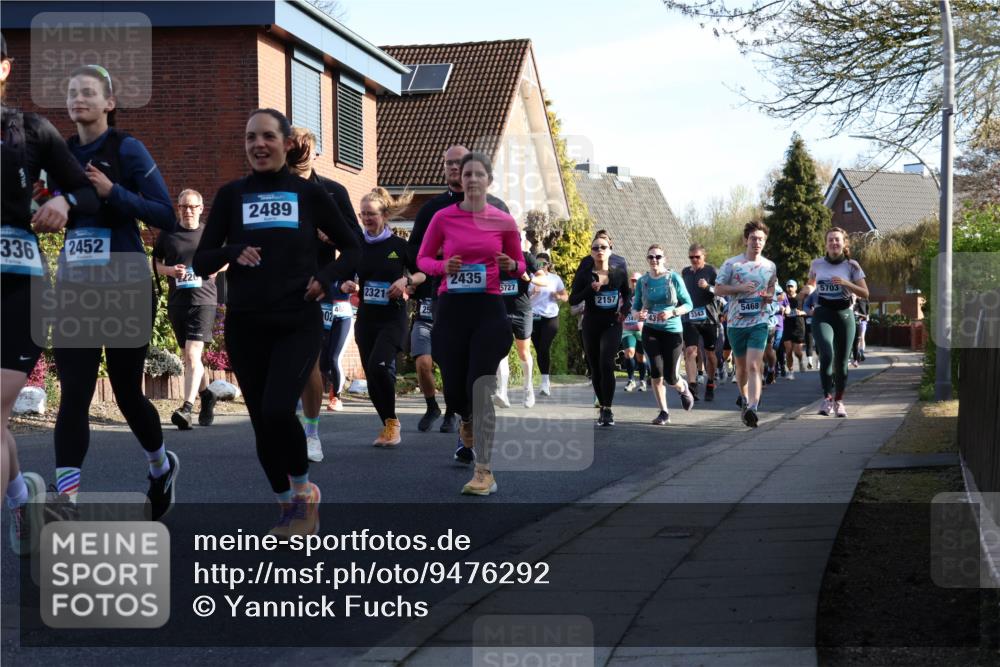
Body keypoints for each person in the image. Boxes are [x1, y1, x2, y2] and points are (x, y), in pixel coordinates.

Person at [193, 108, 360, 535]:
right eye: (251, 137)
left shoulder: (310, 194)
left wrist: (326, 277)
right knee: (261, 422)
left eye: (267, 136)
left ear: (286, 144)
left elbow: (355, 247)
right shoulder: (232, 195)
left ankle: (303, 494)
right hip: (246, 324)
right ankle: (287, 506)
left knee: (277, 410)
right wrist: (232, 252)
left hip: (296, 320)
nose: (258, 144)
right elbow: (202, 260)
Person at [50, 64, 179, 520]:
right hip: (76, 287)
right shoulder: (61, 153)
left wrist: (113, 191)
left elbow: (166, 214)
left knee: (126, 392)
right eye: (72, 92)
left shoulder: (127, 149)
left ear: (109, 102)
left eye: (88, 92)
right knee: (75, 394)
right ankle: (66, 501)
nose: (78, 98)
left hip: (125, 285)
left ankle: (160, 466)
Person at [1, 34, 100, 553]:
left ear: (4, 68)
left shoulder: (32, 130)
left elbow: (85, 191)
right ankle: (22, 500)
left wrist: (63, 201)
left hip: (21, 289)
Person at [416, 151, 525, 495]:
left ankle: (484, 471)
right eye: (467, 174)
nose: (473, 179)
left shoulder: (503, 220)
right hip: (452, 308)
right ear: (459, 180)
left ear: (489, 180)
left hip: (488, 309)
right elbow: (422, 258)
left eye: (479, 174)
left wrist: (511, 265)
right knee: (455, 389)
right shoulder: (443, 218)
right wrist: (441, 267)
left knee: (480, 386)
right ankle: (464, 418)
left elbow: (520, 265)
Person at [408, 145, 511, 434]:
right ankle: (455, 409)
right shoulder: (433, 210)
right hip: (447, 297)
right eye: (450, 164)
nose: (455, 168)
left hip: (486, 302)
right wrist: (441, 258)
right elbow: (414, 252)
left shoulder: (498, 209)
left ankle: (466, 418)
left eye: (461, 163)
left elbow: (513, 258)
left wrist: (502, 264)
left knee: (476, 368)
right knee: (452, 362)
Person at [286, 127, 362, 461]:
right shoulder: (270, 190)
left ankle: (311, 433)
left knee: (311, 361)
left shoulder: (332, 191)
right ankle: (283, 428)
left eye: (306, 148)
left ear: (315, 153)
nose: (300, 153)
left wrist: (330, 240)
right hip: (275, 288)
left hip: (317, 289)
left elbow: (355, 242)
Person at [340, 187, 422, 447]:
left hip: (393, 318)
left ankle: (392, 423)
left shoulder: (399, 246)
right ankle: (388, 422)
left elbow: (423, 273)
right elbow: (344, 274)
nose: (366, 218)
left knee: (379, 366)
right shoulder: (357, 246)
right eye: (362, 214)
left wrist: (406, 280)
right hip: (367, 319)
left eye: (371, 214)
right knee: (372, 374)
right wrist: (346, 284)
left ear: (384, 215)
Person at [153, 189, 224, 430]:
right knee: (189, 356)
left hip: (203, 300)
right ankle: (207, 395)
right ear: (178, 208)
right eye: (183, 206)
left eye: (193, 206)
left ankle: (186, 409)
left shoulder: (210, 234)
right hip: (178, 301)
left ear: (201, 209)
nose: (188, 211)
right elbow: (155, 262)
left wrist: (216, 268)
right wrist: (170, 271)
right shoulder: (168, 233)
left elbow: (227, 257)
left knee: (193, 355)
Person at [714, 220, 777, 428]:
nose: (757, 242)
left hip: (759, 321)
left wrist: (769, 296)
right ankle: (744, 398)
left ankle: (753, 407)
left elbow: (771, 287)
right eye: (753, 238)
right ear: (745, 240)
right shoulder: (732, 264)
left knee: (754, 365)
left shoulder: (769, 266)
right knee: (741, 368)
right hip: (736, 323)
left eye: (761, 239)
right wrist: (739, 288)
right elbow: (718, 289)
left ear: (765, 242)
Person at [802, 228, 869, 417]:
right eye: (830, 240)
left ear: (844, 243)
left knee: (841, 362)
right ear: (826, 244)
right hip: (822, 314)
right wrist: (806, 290)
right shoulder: (817, 264)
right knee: (826, 353)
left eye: (837, 240)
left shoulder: (852, 265)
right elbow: (811, 284)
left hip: (844, 315)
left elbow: (865, 293)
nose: (834, 243)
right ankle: (827, 398)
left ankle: (839, 401)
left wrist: (846, 283)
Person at [569, 230, 631, 427]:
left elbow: (628, 294)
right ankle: (602, 407)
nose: (599, 250)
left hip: (612, 323)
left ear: (610, 250)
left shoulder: (618, 273)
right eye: (595, 248)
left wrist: (624, 311)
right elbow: (573, 299)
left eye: (603, 247)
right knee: (595, 367)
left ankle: (608, 409)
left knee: (606, 363)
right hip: (591, 324)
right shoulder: (585, 274)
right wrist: (590, 289)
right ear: (591, 252)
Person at [633, 244, 695, 425]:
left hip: (672, 331)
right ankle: (664, 412)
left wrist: (672, 312)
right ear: (647, 259)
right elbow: (635, 307)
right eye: (651, 257)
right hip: (651, 330)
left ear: (664, 259)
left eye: (658, 257)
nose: (654, 260)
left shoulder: (673, 278)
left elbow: (689, 304)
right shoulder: (643, 281)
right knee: (656, 372)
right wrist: (638, 315)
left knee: (670, 377)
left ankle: (682, 387)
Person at [494, 248, 542, 409]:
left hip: (522, 311)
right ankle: (502, 392)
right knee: (501, 351)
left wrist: (530, 278)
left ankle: (528, 389)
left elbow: (544, 280)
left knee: (523, 352)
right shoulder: (493, 256)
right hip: (500, 311)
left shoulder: (526, 257)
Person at [681, 243, 719, 401]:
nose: (694, 260)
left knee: (710, 354)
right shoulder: (685, 272)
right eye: (691, 257)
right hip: (689, 318)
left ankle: (710, 382)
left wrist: (708, 287)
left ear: (704, 256)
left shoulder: (712, 271)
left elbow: (721, 291)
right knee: (690, 351)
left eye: (697, 257)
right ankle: (692, 386)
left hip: (708, 318)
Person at [528, 252, 567, 397]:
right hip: (533, 318)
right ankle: (545, 380)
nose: (540, 266)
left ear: (548, 265)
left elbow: (565, 296)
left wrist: (558, 296)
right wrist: (532, 292)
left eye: (543, 264)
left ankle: (545, 383)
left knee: (544, 347)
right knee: (539, 350)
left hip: (550, 317)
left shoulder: (555, 279)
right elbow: (522, 298)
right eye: (537, 263)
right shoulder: (530, 278)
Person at [620, 272, 645, 392]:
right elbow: (619, 307)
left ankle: (642, 380)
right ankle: (631, 380)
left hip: (641, 330)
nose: (634, 283)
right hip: (627, 329)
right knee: (629, 352)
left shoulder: (645, 295)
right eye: (633, 281)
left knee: (641, 358)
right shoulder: (625, 295)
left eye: (637, 281)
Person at [782, 279, 807, 378]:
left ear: (796, 288)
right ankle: (790, 371)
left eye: (791, 286)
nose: (789, 288)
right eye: (788, 286)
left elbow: (809, 310)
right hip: (787, 326)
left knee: (797, 352)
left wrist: (801, 312)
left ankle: (800, 360)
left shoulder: (801, 298)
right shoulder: (783, 299)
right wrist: (782, 311)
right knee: (788, 351)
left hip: (798, 326)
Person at [851, 296, 869, 367]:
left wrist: (866, 317)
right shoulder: (853, 301)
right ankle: (857, 353)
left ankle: (861, 352)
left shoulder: (865, 300)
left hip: (862, 321)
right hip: (854, 322)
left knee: (862, 337)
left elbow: (867, 312)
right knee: (856, 340)